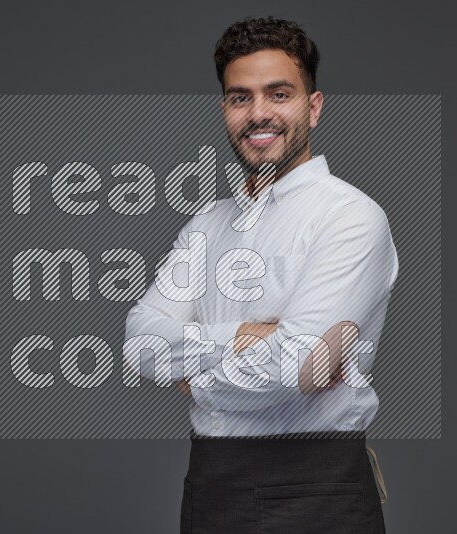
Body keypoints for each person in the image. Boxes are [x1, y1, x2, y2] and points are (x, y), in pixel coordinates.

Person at [124, 16, 397, 533]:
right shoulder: (206, 224)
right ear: (225, 110)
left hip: (316, 490)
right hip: (211, 487)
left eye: (279, 94)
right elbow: (140, 344)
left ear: (313, 107)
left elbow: (294, 366)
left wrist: (193, 377)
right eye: (240, 98)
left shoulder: (350, 217)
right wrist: (245, 336)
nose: (259, 113)